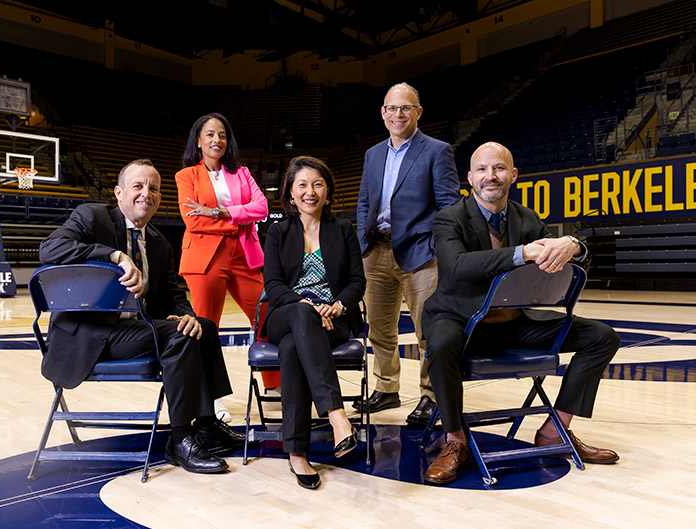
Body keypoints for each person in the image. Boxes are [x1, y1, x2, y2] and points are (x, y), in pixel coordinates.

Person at [422, 142, 620, 486]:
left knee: (602, 337)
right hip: (459, 319)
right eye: (482, 170)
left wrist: (574, 245)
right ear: (470, 178)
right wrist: (521, 253)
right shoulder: (448, 218)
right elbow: (456, 266)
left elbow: (560, 252)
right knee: (440, 345)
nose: (490, 176)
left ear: (513, 175)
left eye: (498, 168)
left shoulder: (526, 218)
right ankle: (455, 441)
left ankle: (554, 429)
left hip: (512, 323)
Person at [39, 159, 245, 475]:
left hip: (133, 330)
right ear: (119, 193)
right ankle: (180, 438)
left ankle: (205, 424)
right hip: (89, 334)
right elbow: (51, 249)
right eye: (138, 186)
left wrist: (186, 314)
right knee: (178, 338)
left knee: (201, 327)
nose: (145, 193)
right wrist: (114, 255)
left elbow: (173, 297)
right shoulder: (92, 217)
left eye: (153, 188)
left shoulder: (160, 243)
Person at [354, 82, 460, 427]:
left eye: (405, 108)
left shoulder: (436, 150)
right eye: (391, 108)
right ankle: (386, 388)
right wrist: (361, 246)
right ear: (383, 113)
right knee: (379, 329)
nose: (398, 114)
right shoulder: (373, 154)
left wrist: (439, 248)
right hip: (377, 249)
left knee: (428, 330)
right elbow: (365, 204)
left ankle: (432, 395)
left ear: (418, 112)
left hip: (420, 251)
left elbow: (448, 205)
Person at [261, 156, 366, 489]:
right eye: (302, 185)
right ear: (291, 194)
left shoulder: (343, 229)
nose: (310, 191)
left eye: (317, 184)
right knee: (301, 317)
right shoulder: (277, 232)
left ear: (328, 191)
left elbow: (356, 281)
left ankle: (297, 453)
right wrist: (304, 303)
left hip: (332, 319)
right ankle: (337, 417)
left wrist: (338, 305)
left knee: (293, 349)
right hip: (286, 314)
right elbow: (273, 284)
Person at [175, 112, 277, 422]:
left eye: (222, 134)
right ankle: (210, 397)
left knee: (268, 316)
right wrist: (236, 221)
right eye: (210, 134)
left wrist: (218, 212)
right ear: (199, 141)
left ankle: (276, 385)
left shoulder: (242, 173)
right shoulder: (187, 176)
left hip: (244, 256)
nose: (216, 140)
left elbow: (262, 208)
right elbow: (192, 220)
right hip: (205, 257)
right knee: (206, 327)